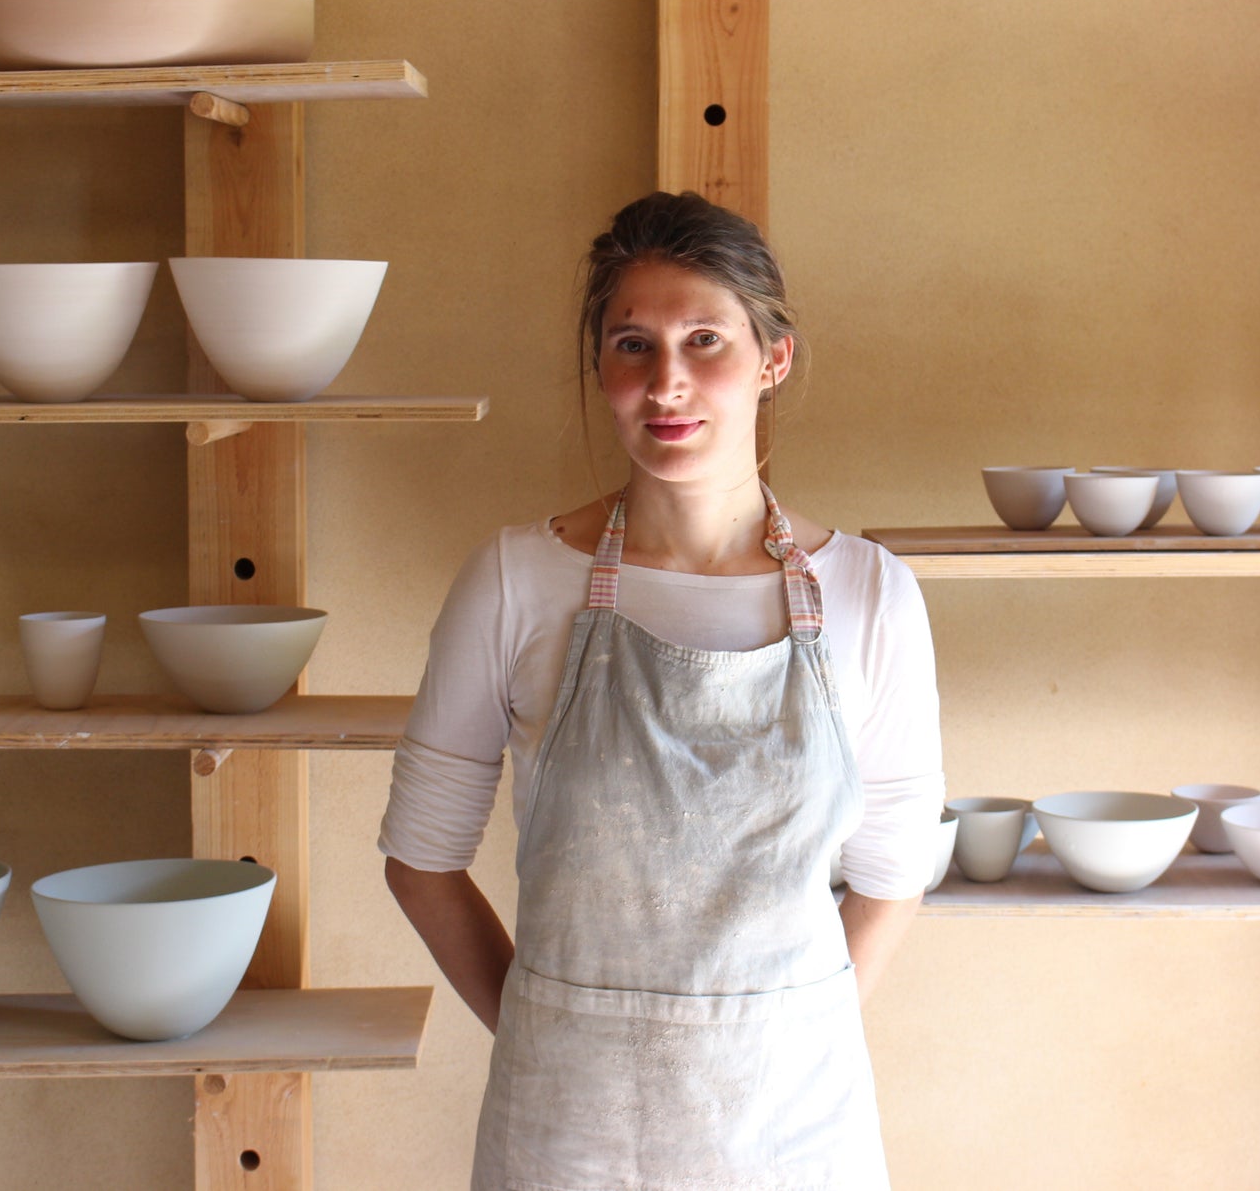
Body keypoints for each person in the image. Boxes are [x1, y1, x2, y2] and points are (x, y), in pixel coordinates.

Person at [378, 190, 945, 1189]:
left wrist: (771, 1042)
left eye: (704, 341)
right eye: (631, 344)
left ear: (773, 359)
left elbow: (893, 874)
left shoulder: (869, 595)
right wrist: (553, 1036)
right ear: (600, 367)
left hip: (795, 1136)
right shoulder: (515, 581)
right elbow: (421, 861)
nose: (666, 382)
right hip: (565, 1136)